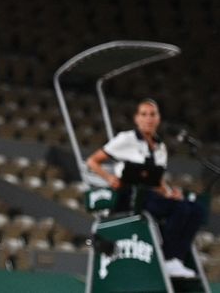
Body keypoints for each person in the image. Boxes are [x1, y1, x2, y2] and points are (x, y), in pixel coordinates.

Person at [86, 98, 206, 279]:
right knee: (179, 209)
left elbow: (155, 180)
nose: (148, 119)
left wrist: (169, 193)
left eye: (152, 114)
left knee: (195, 209)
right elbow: (92, 161)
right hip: (128, 195)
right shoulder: (125, 139)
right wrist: (110, 178)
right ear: (137, 118)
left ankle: (176, 259)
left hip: (150, 195)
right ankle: (167, 258)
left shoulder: (161, 148)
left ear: (158, 119)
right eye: (144, 114)